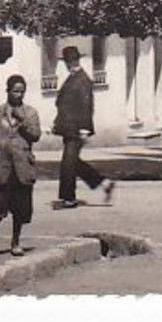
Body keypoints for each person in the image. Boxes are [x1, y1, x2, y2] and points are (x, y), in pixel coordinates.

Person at [0, 75, 42, 258]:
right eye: (15, 90)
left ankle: (16, 243)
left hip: (22, 167)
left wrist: (22, 122)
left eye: (22, 91)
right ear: (7, 91)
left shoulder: (30, 113)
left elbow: (36, 135)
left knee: (20, 208)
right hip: (2, 166)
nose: (19, 94)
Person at [51, 45, 114, 209]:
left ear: (75, 60)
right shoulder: (73, 78)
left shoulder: (82, 79)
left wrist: (85, 129)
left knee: (68, 163)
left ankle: (69, 198)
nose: (69, 63)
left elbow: (87, 106)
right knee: (73, 163)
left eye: (70, 60)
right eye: (67, 61)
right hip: (69, 127)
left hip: (77, 128)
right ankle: (104, 183)